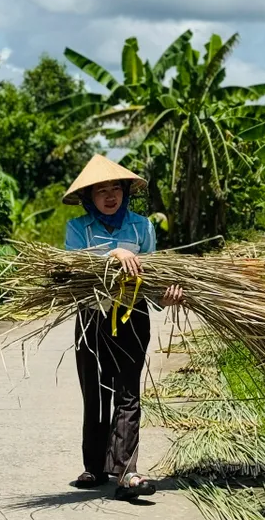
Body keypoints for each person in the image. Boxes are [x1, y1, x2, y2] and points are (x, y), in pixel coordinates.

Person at [63, 154, 183, 500]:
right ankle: (95, 466)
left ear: (126, 192)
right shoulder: (78, 229)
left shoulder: (142, 227)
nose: (110, 195)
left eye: (116, 188)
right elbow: (75, 269)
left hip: (132, 317)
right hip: (92, 317)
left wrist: (168, 294)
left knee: (128, 391)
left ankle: (126, 471)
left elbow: (153, 275)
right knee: (96, 391)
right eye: (101, 190)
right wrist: (113, 254)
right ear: (88, 198)